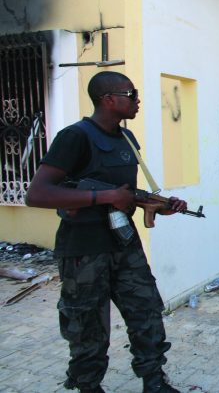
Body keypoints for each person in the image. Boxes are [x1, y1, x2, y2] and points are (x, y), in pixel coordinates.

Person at [25, 71, 187, 393]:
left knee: (146, 313)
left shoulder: (127, 139)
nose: (137, 100)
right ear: (108, 99)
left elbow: (123, 191)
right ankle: (88, 386)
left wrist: (155, 203)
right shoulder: (76, 136)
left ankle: (154, 382)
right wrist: (104, 197)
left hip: (123, 242)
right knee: (87, 326)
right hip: (83, 249)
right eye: (132, 93)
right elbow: (37, 194)